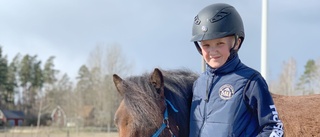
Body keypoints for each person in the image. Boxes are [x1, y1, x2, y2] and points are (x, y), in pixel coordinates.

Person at [189, 3, 284, 137]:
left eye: (220, 43)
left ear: (236, 43)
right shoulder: (198, 83)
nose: (212, 51)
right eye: (206, 45)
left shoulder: (251, 81)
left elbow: (274, 128)